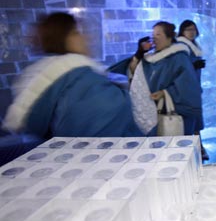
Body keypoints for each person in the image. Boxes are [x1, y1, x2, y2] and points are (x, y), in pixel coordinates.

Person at [2, 12, 144, 141]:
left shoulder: (52, 78)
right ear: (63, 39)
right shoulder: (80, 82)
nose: (86, 37)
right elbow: (105, 132)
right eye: (76, 32)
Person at [126, 21, 203, 137]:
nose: (154, 38)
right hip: (153, 112)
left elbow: (188, 86)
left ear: (169, 37)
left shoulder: (179, 57)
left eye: (158, 34)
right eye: (153, 35)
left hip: (175, 114)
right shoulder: (151, 58)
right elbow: (133, 72)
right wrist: (139, 52)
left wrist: (165, 93)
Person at [177, 20, 209, 160]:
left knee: (195, 121)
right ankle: (193, 149)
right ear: (182, 31)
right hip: (186, 92)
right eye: (188, 29)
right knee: (190, 122)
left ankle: (198, 148)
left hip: (194, 89)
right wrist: (193, 65)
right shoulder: (181, 46)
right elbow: (179, 68)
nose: (191, 32)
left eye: (193, 29)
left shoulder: (193, 46)